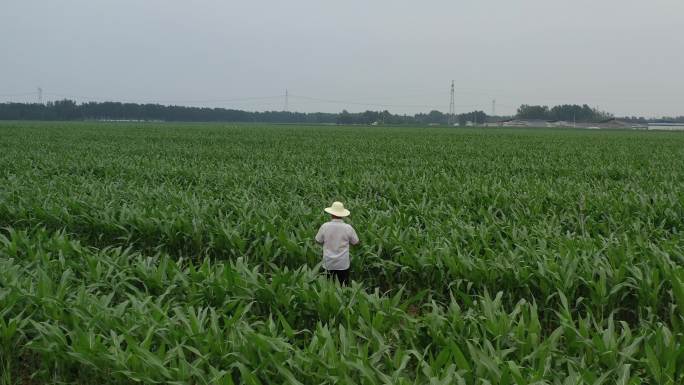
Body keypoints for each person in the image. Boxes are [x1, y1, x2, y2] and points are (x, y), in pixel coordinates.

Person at [315, 201, 359, 285]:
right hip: (343, 264)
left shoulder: (325, 226)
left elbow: (318, 240)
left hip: (328, 263)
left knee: (328, 287)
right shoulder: (348, 228)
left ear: (331, 214)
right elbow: (356, 242)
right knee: (343, 288)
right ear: (342, 215)